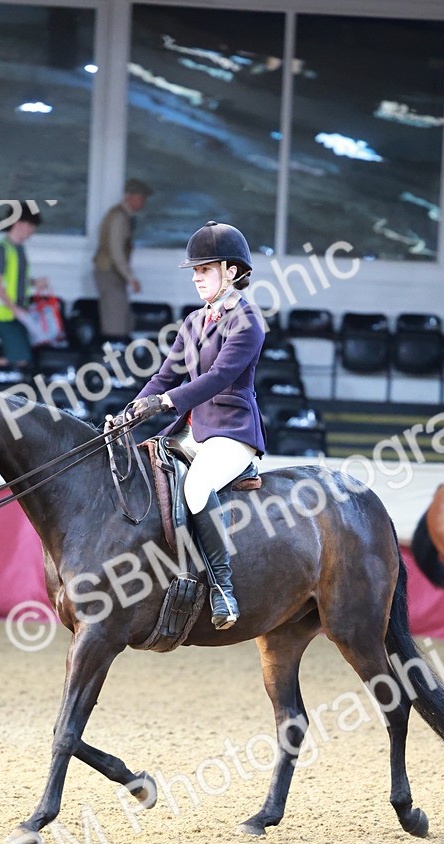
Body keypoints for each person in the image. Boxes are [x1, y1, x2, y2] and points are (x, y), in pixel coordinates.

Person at [127, 220, 265, 631]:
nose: (197, 278)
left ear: (231, 271)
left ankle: (223, 588)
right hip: (192, 429)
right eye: (195, 272)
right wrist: (132, 410)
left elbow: (218, 377)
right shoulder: (192, 322)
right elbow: (166, 375)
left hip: (231, 430)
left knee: (196, 487)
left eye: (204, 270)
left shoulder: (248, 321)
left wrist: (165, 402)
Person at [0, 202, 45, 367]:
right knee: (19, 356)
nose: (32, 230)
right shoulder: (3, 250)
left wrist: (34, 282)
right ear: (18, 223)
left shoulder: (18, 249)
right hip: (3, 313)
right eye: (30, 225)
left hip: (15, 312)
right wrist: (12, 307)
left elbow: (16, 278)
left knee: (22, 354)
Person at [93, 179, 153, 342]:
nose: (143, 202)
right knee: (115, 321)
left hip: (113, 273)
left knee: (120, 317)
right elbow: (116, 251)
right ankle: (112, 358)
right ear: (130, 197)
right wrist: (130, 277)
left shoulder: (122, 216)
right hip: (109, 272)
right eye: (141, 198)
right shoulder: (119, 217)